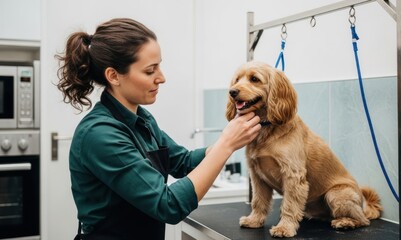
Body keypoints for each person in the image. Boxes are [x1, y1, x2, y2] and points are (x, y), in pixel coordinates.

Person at [56, 18, 261, 240]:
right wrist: (226, 144)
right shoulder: (100, 134)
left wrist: (234, 136)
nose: (161, 78)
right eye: (150, 71)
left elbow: (184, 162)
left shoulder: (142, 119)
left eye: (159, 66)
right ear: (113, 76)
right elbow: (168, 206)